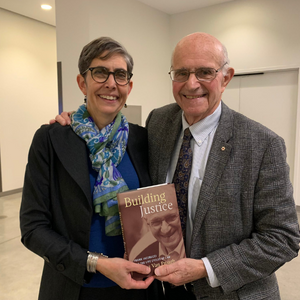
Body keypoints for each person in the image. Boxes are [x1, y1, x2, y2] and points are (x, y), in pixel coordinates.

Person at [52, 32, 300, 300]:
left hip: (232, 294)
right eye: (181, 73)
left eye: (205, 72)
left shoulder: (263, 145)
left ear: (226, 78)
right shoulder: (159, 123)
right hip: (164, 290)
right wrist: (77, 122)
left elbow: (283, 238)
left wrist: (206, 268)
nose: (191, 84)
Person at [20, 37, 164, 300]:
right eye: (100, 72)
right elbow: (33, 229)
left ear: (129, 86)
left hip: (138, 287)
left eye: (120, 75)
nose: (111, 83)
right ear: (81, 82)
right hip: (74, 288)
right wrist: (96, 263)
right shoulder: (51, 140)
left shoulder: (142, 140)